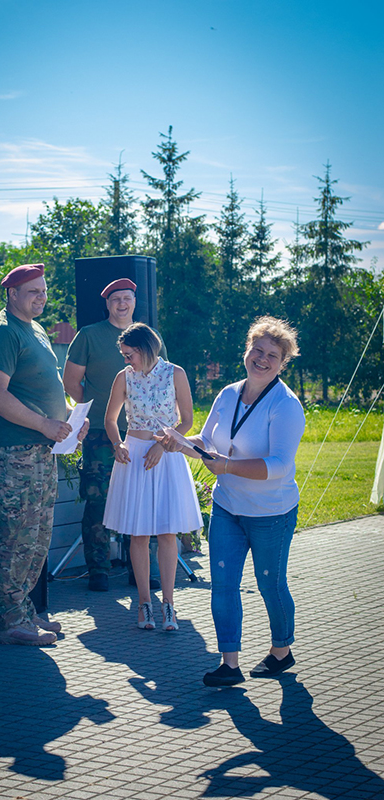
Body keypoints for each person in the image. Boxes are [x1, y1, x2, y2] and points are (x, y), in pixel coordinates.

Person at [160, 316, 304, 685]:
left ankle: (281, 651)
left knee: (270, 584)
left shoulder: (286, 405)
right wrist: (180, 442)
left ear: (283, 363)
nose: (262, 359)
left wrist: (227, 466)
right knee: (223, 585)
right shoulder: (227, 394)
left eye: (272, 355)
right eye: (258, 350)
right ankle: (230, 665)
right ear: (247, 350)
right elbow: (208, 443)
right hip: (227, 507)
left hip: (271, 512)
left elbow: (278, 466)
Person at [0, 264, 89, 648]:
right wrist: (44, 424)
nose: (41, 297)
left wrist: (70, 422)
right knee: (13, 538)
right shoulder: (2, 333)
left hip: (41, 452)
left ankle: (24, 610)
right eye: (33, 292)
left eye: (43, 290)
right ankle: (9, 620)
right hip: (14, 455)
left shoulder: (35, 329)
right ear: (12, 294)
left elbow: (41, 391)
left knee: (36, 537)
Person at [64, 278, 166, 592]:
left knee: (142, 500)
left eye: (127, 298)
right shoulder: (89, 335)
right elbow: (71, 382)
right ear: (107, 304)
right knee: (98, 499)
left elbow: (163, 381)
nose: (122, 304)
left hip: (143, 435)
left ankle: (140, 571)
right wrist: (93, 410)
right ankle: (99, 570)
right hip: (99, 432)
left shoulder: (149, 337)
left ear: (135, 302)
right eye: (116, 299)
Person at [103, 323, 202, 631]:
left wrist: (163, 445)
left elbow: (187, 421)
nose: (126, 360)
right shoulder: (123, 377)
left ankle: (168, 604)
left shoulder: (175, 373)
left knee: (167, 532)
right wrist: (117, 444)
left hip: (166, 456)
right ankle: (144, 603)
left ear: (145, 350)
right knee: (139, 534)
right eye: (124, 355)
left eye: (129, 354)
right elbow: (110, 419)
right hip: (134, 456)